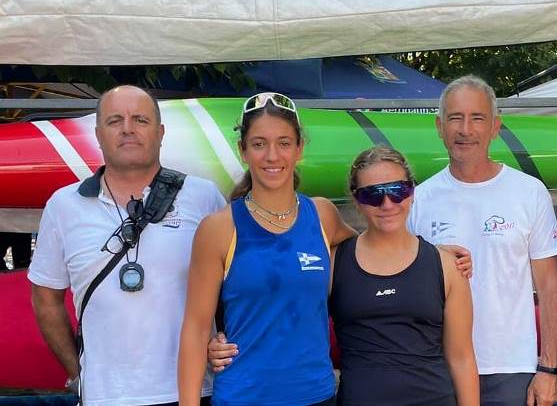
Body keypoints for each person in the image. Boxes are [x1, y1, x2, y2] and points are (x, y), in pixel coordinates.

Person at [29, 85, 226, 405]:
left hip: (191, 392)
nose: (128, 129)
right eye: (115, 120)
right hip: (104, 396)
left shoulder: (203, 197)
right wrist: (78, 373)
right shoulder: (63, 205)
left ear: (161, 132)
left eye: (140, 120)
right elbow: (45, 299)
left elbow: (237, 286)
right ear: (97, 133)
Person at [178, 92, 356, 405]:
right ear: (243, 150)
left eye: (284, 143)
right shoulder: (219, 229)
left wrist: (436, 255)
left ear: (299, 149)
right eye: (259, 144)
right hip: (244, 396)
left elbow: (376, 247)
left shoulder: (323, 215)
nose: (272, 156)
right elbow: (195, 329)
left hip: (317, 395)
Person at [407, 75, 557, 405]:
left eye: (477, 118)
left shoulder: (528, 192)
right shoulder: (419, 199)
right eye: (455, 118)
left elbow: (550, 286)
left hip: (512, 369)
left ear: (495, 126)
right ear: (439, 126)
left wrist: (549, 368)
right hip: (439, 367)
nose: (466, 129)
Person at [329, 146, 479, 405]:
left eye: (397, 191)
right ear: (356, 200)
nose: (387, 204)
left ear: (411, 192)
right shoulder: (334, 263)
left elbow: (462, 358)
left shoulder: (446, 266)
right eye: (373, 195)